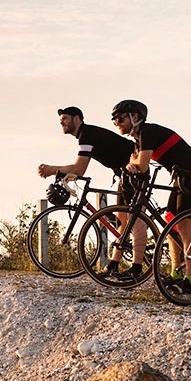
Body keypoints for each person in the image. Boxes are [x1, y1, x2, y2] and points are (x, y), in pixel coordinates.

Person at [110, 99, 191, 294]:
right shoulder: (138, 139)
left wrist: (134, 164)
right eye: (114, 121)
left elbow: (141, 166)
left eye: (120, 118)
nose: (117, 123)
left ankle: (190, 280)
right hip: (180, 178)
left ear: (134, 117)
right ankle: (175, 273)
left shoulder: (147, 132)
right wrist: (133, 164)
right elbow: (133, 163)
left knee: (186, 228)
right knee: (171, 225)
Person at [37, 105, 140, 281]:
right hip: (124, 173)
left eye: (65, 118)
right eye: (60, 120)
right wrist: (64, 174)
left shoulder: (87, 135)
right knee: (122, 221)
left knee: (135, 220)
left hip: (134, 170)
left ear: (77, 119)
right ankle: (113, 265)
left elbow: (79, 169)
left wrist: (53, 169)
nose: (61, 122)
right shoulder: (86, 135)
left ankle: (137, 269)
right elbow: (78, 169)